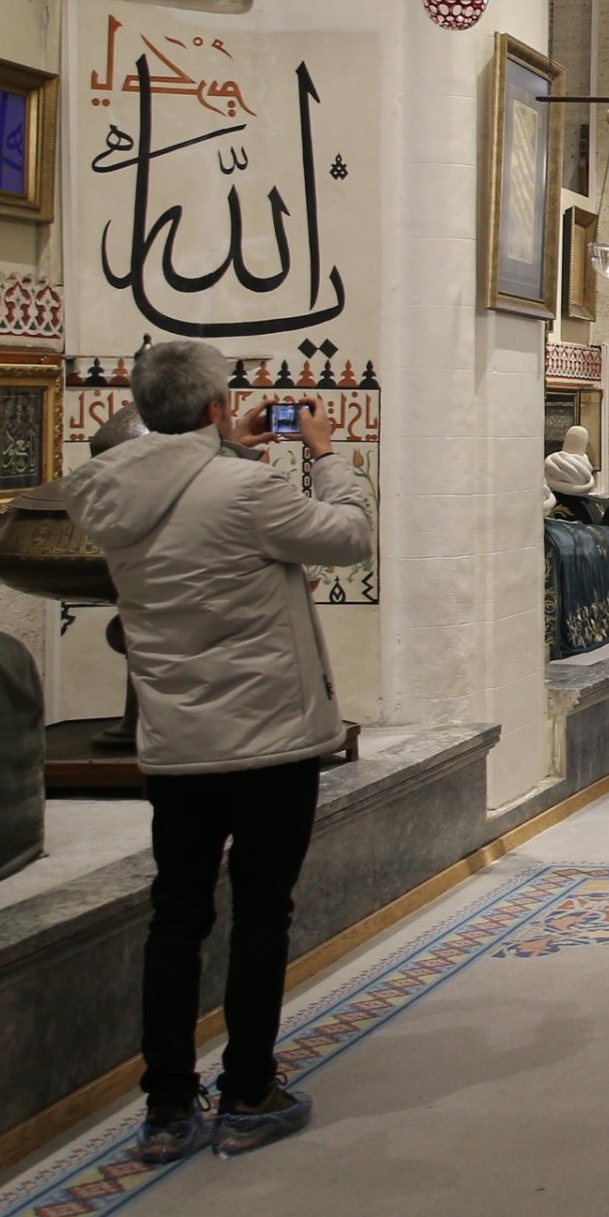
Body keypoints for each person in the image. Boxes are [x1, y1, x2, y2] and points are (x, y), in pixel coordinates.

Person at [54, 339, 375, 1165]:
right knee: (262, 911)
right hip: (268, 740)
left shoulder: (108, 491)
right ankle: (247, 1089)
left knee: (177, 915)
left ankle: (166, 1107)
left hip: (178, 744)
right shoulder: (246, 489)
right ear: (211, 408)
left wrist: (223, 453)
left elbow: (181, 503)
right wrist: (326, 456)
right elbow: (346, 537)